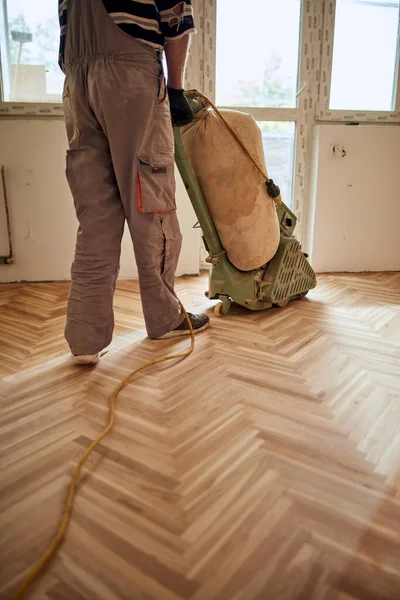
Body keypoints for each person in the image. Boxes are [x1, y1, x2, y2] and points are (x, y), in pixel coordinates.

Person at [58, 0, 209, 365]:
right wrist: (174, 89)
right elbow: (175, 21)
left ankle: (84, 338)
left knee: (95, 216)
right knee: (150, 203)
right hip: (131, 75)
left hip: (77, 80)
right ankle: (165, 317)